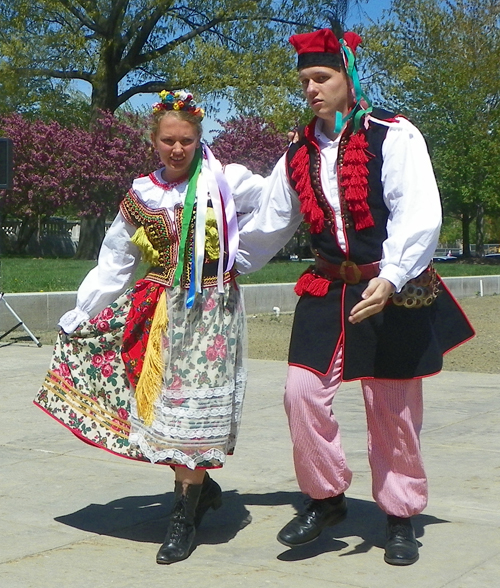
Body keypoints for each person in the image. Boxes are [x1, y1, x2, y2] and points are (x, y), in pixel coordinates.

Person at [236, 27, 475, 565]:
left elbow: (419, 212)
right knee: (300, 394)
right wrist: (222, 262)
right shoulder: (298, 150)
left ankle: (399, 515)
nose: (312, 90)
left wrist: (390, 276)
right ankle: (326, 497)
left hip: (391, 285)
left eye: (322, 78)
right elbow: (271, 224)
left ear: (349, 77)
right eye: (305, 81)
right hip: (327, 285)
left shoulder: (393, 135)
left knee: (391, 407)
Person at [34, 90, 263, 565]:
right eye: (168, 141)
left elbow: (277, 205)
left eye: (186, 140)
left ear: (199, 138)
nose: (177, 149)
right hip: (157, 310)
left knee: (192, 415)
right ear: (154, 141)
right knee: (160, 410)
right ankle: (202, 487)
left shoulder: (226, 180)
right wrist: (83, 310)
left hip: (211, 311)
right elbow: (116, 260)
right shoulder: (142, 193)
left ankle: (181, 518)